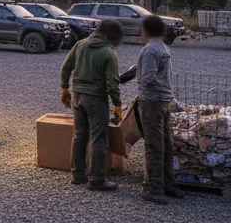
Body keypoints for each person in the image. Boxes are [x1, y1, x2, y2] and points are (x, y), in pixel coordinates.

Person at [60, 19, 124, 191]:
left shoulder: (80, 45)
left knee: (80, 135)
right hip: (95, 99)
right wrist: (118, 105)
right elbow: (112, 84)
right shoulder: (109, 53)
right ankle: (96, 179)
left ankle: (77, 175)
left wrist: (65, 89)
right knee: (98, 138)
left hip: (77, 96)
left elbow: (65, 68)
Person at [137, 15, 180, 204]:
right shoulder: (163, 48)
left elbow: (147, 77)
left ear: (146, 30)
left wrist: (141, 85)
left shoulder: (149, 50)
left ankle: (154, 188)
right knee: (166, 143)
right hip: (164, 100)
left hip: (153, 101)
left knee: (154, 145)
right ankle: (169, 183)